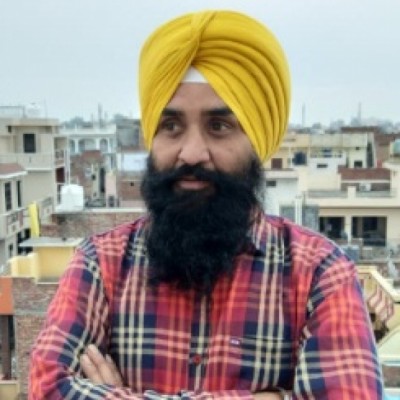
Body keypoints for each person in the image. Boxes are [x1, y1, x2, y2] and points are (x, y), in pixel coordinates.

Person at [29, 10, 383, 399]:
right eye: (171, 126)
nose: (192, 153)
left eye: (219, 126)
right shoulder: (102, 264)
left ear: (257, 142)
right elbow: (48, 388)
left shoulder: (318, 273)